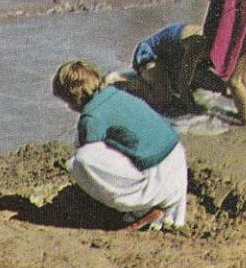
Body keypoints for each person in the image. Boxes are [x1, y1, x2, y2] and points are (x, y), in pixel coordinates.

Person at [53, 60, 188, 231]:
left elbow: (88, 152)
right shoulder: (115, 93)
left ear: (72, 97)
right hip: (177, 165)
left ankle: (142, 208)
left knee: (80, 161)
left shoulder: (92, 116)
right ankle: (150, 205)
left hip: (158, 181)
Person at [125, 22, 206, 110]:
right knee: (163, 98)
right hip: (149, 54)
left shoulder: (205, 40)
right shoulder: (197, 42)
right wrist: (192, 108)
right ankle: (125, 82)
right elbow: (183, 83)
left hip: (167, 58)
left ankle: (149, 81)